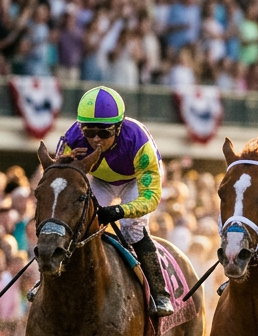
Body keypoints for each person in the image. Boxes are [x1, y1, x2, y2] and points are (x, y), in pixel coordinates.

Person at [53, 86, 175, 316]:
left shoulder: (138, 141)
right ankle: (50, 281)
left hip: (135, 180)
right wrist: (68, 163)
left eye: (104, 132)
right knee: (78, 223)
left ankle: (160, 293)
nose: (95, 139)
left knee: (133, 228)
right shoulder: (71, 138)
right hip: (100, 179)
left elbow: (150, 198)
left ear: (118, 127)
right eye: (89, 131)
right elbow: (57, 180)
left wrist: (119, 211)